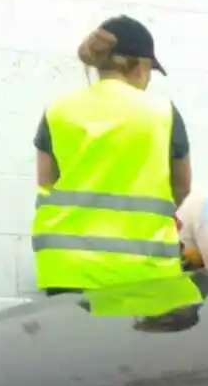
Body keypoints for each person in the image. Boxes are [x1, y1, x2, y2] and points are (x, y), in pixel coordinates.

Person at [32, 16, 192, 294]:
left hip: (66, 268)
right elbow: (182, 186)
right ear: (140, 65)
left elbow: (47, 183)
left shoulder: (58, 111)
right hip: (143, 268)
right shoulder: (162, 113)